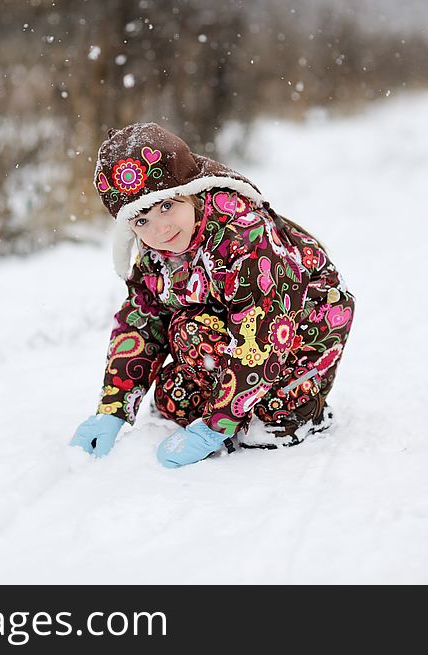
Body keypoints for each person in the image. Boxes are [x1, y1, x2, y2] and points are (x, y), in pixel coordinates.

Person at [69, 122, 355, 468]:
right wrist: (113, 408)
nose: (160, 229)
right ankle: (234, 406)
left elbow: (264, 331)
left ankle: (296, 410)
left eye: (166, 207)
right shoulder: (157, 250)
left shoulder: (244, 234)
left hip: (302, 328)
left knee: (269, 419)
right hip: (230, 332)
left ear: (189, 191)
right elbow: (144, 320)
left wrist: (215, 425)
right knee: (173, 400)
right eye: (141, 221)